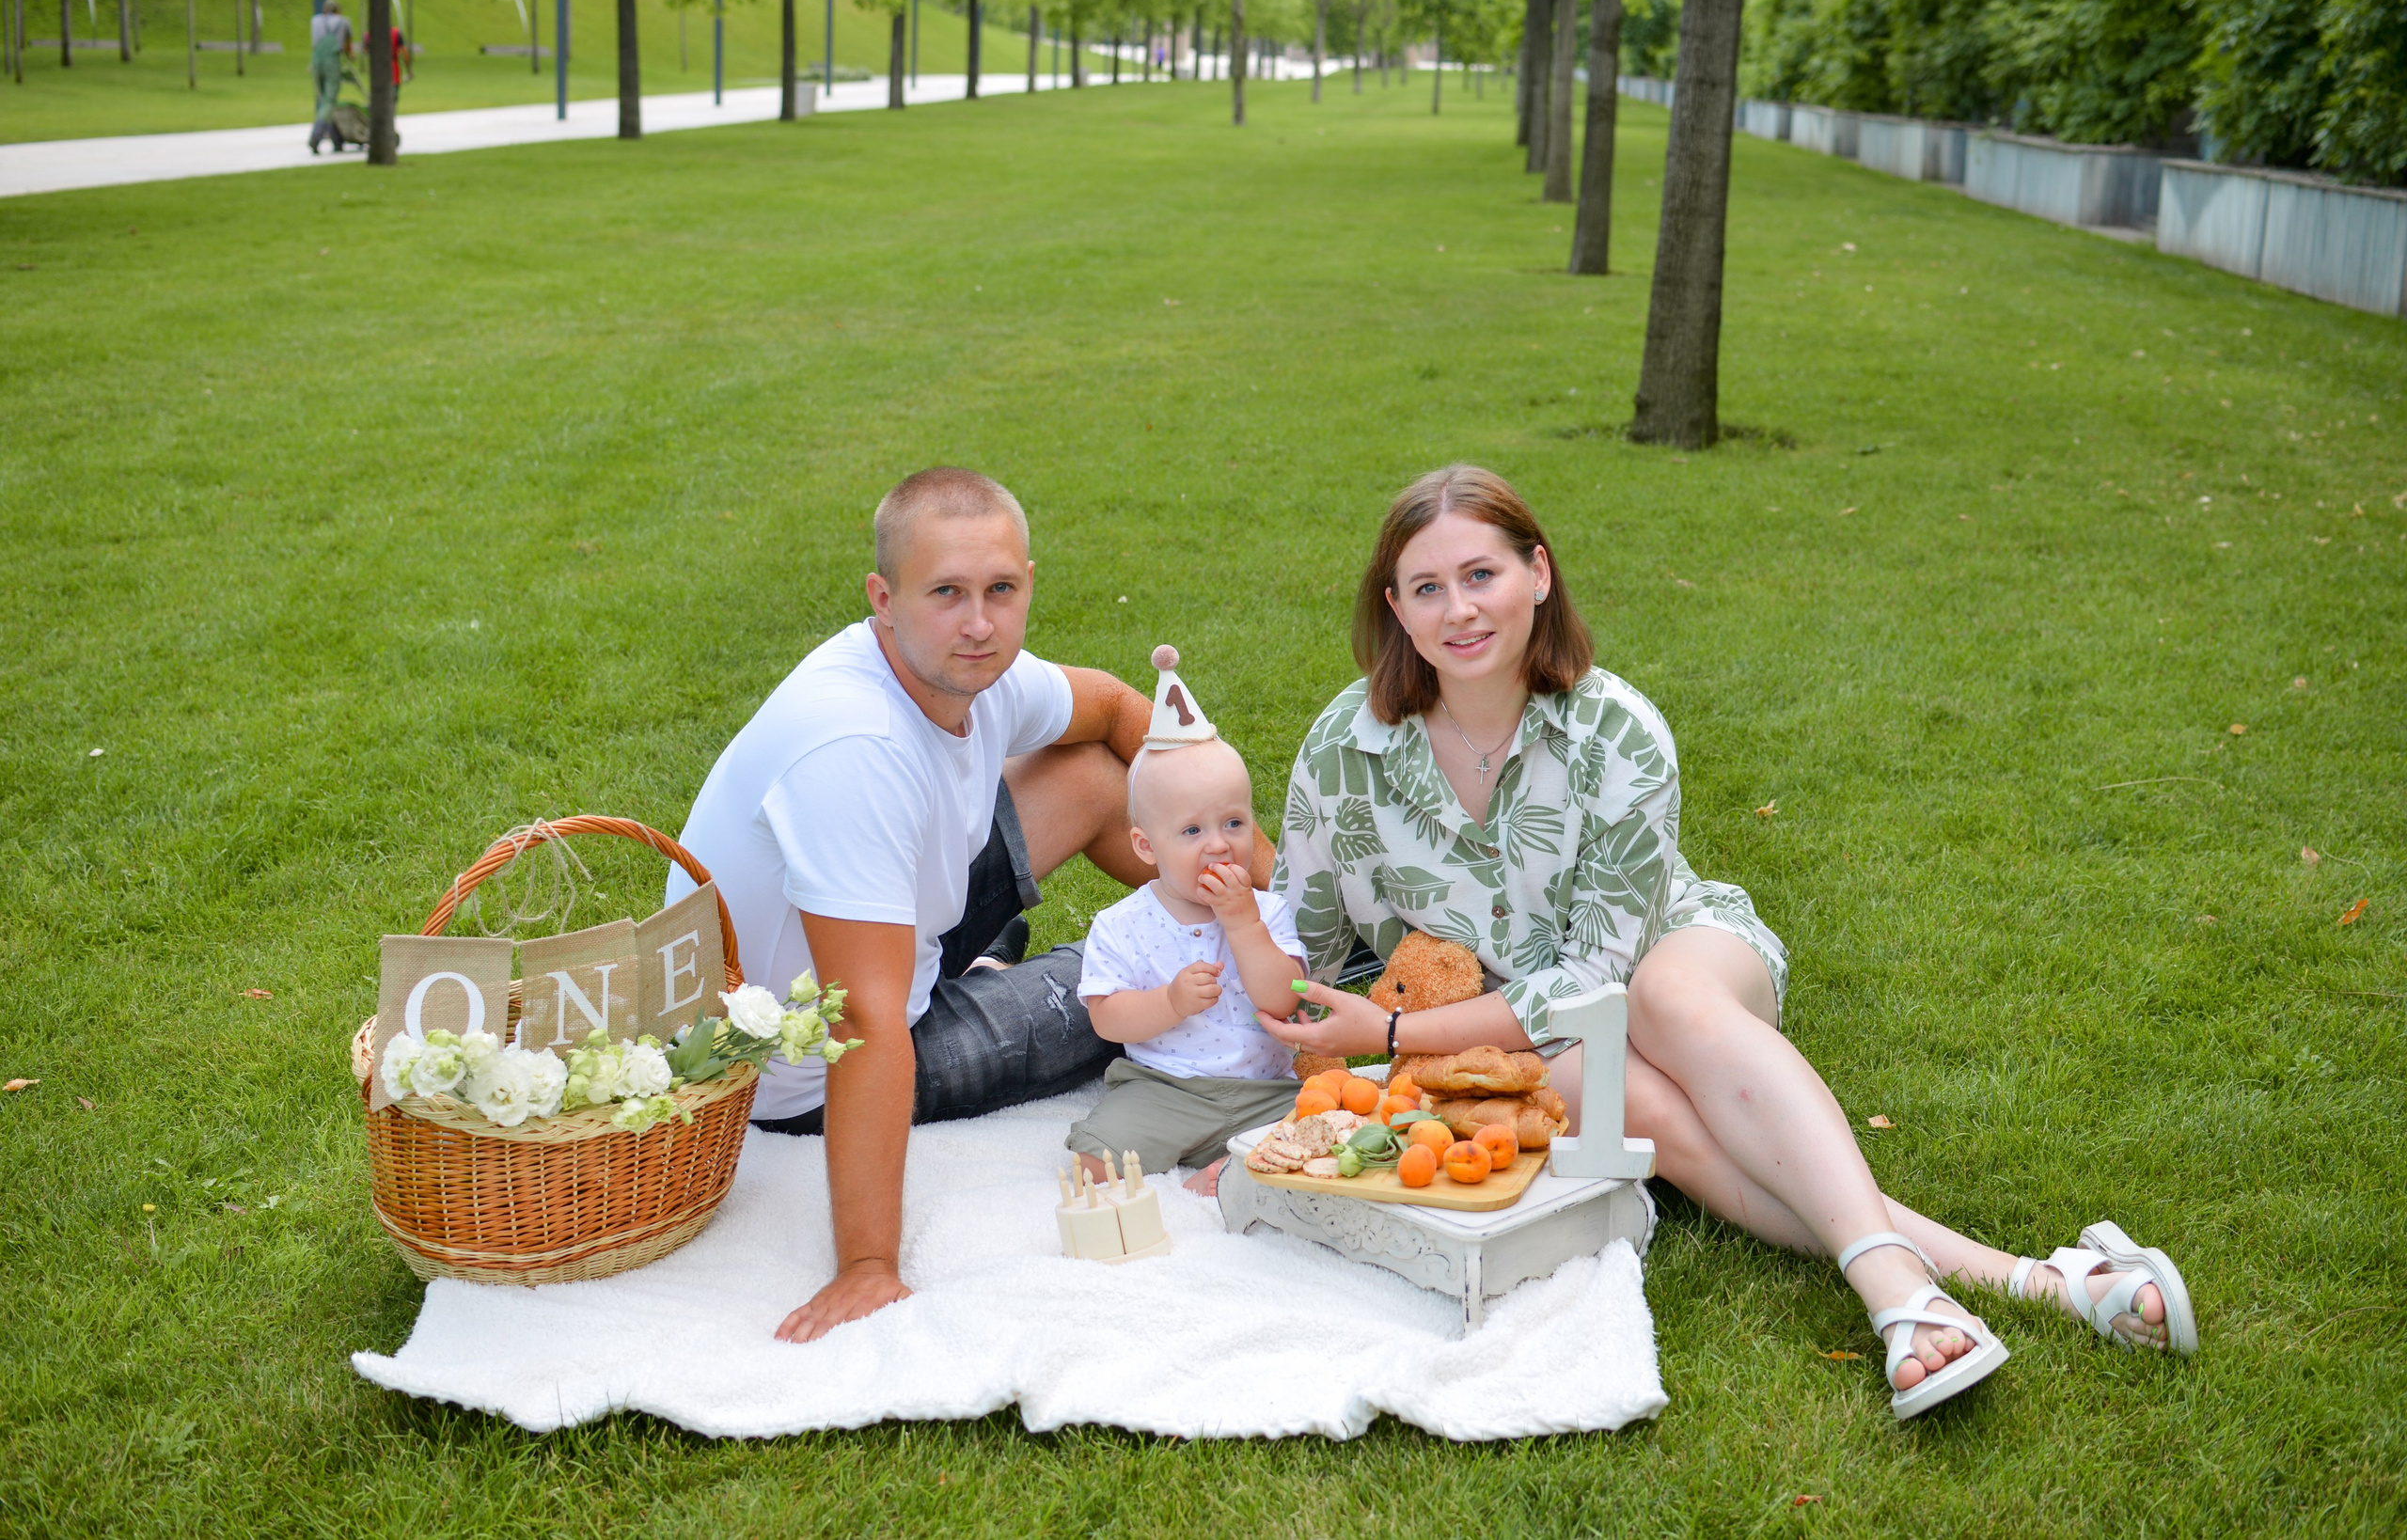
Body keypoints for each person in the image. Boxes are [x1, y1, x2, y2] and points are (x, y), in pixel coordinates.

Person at [1261, 464, 2197, 1420]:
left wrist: (1388, 1040)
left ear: (1537, 574)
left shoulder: (1617, 731)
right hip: (1530, 1035)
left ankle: (1894, 1296)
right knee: (1596, 1082)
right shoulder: (1344, 749)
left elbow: (1596, 973)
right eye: (1426, 587)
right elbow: (1309, 945)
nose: (1458, 609)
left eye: (1481, 574)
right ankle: (2046, 1281)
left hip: (1678, 951)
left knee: (1661, 1001)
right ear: (1395, 609)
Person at [669, 467, 1275, 1344]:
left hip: (889, 925)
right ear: (884, 598)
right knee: (1124, 986)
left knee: (1101, 779)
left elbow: (1110, 706)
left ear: (1028, 582)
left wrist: (1273, 903)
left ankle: (1298, 948)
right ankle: (1007, 971)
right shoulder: (856, 745)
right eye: (946, 593)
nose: (979, 623)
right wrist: (869, 1268)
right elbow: (865, 1022)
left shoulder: (975, 670)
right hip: (801, 1062)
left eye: (999, 590)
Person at [1065, 650, 1308, 1196]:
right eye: (1192, 832)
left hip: (1264, 1090)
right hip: (1162, 1089)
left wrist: (1243, 923)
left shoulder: (1266, 911)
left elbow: (1283, 999)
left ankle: (1228, 1169)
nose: (1219, 844)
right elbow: (1108, 1019)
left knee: (1321, 1128)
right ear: (1146, 846)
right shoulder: (1122, 924)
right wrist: (1169, 1002)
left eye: (1233, 822)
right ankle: (1225, 1168)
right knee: (1092, 1165)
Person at [307, 0, 354, 155]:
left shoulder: (315, 21)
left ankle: (337, 140)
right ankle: (316, 136)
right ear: (338, 11)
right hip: (332, 62)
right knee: (329, 100)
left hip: (316, 62)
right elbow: (347, 46)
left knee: (324, 100)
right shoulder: (344, 22)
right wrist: (351, 56)